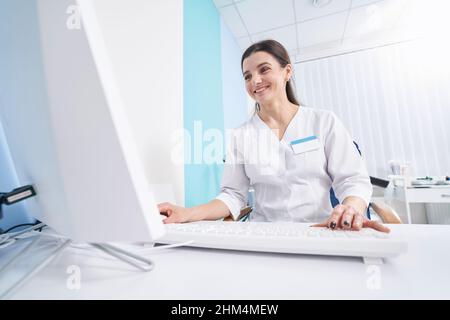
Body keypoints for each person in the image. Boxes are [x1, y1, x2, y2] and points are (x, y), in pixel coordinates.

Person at [159, 40, 390, 233]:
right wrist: (187, 213)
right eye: (247, 76)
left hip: (318, 230)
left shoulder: (323, 121)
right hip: (265, 233)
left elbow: (353, 180)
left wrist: (351, 206)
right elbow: (232, 195)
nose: (255, 81)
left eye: (264, 69)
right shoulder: (241, 135)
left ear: (287, 71)